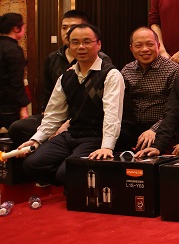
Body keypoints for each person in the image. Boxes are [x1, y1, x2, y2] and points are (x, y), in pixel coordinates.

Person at [14, 24, 124, 186]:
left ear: (98, 44)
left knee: (66, 173)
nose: (81, 47)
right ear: (69, 45)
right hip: (70, 135)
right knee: (31, 164)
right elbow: (54, 114)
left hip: (95, 137)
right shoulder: (66, 77)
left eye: (87, 42)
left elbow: (112, 114)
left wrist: (107, 147)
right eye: (75, 42)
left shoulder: (111, 74)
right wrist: (36, 140)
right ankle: (70, 175)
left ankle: (70, 176)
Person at [8, 10, 112, 146]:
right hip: (57, 115)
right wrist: (47, 122)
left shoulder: (100, 60)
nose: (67, 31)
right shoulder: (53, 58)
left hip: (85, 120)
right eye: (64, 27)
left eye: (73, 27)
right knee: (17, 128)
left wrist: (67, 124)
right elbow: (48, 93)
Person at [116, 28, 179, 153]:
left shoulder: (173, 70)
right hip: (136, 126)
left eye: (150, 44)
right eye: (138, 45)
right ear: (131, 48)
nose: (145, 49)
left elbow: (176, 110)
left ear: (158, 46)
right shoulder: (127, 70)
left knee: (149, 149)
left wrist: (154, 129)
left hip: (166, 126)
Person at [0, 13, 29, 130]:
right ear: (16, 28)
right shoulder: (14, 49)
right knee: (15, 135)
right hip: (8, 105)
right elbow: (16, 82)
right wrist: (23, 106)